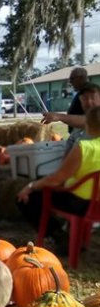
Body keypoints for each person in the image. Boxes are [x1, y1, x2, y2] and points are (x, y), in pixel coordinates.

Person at [16, 104, 100, 253]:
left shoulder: (84, 147)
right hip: (97, 204)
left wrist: (30, 186)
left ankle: (59, 236)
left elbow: (56, 179)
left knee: (27, 198)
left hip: (81, 203)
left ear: (89, 125)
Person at [41, 66, 89, 133]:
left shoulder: (89, 92)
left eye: (72, 78)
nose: (70, 82)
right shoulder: (81, 93)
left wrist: (58, 116)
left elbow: (90, 120)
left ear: (81, 78)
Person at [62, 83, 100, 156]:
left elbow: (90, 120)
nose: (89, 102)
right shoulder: (77, 129)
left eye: (93, 98)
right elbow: (68, 152)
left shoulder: (89, 121)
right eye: (85, 99)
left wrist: (59, 117)